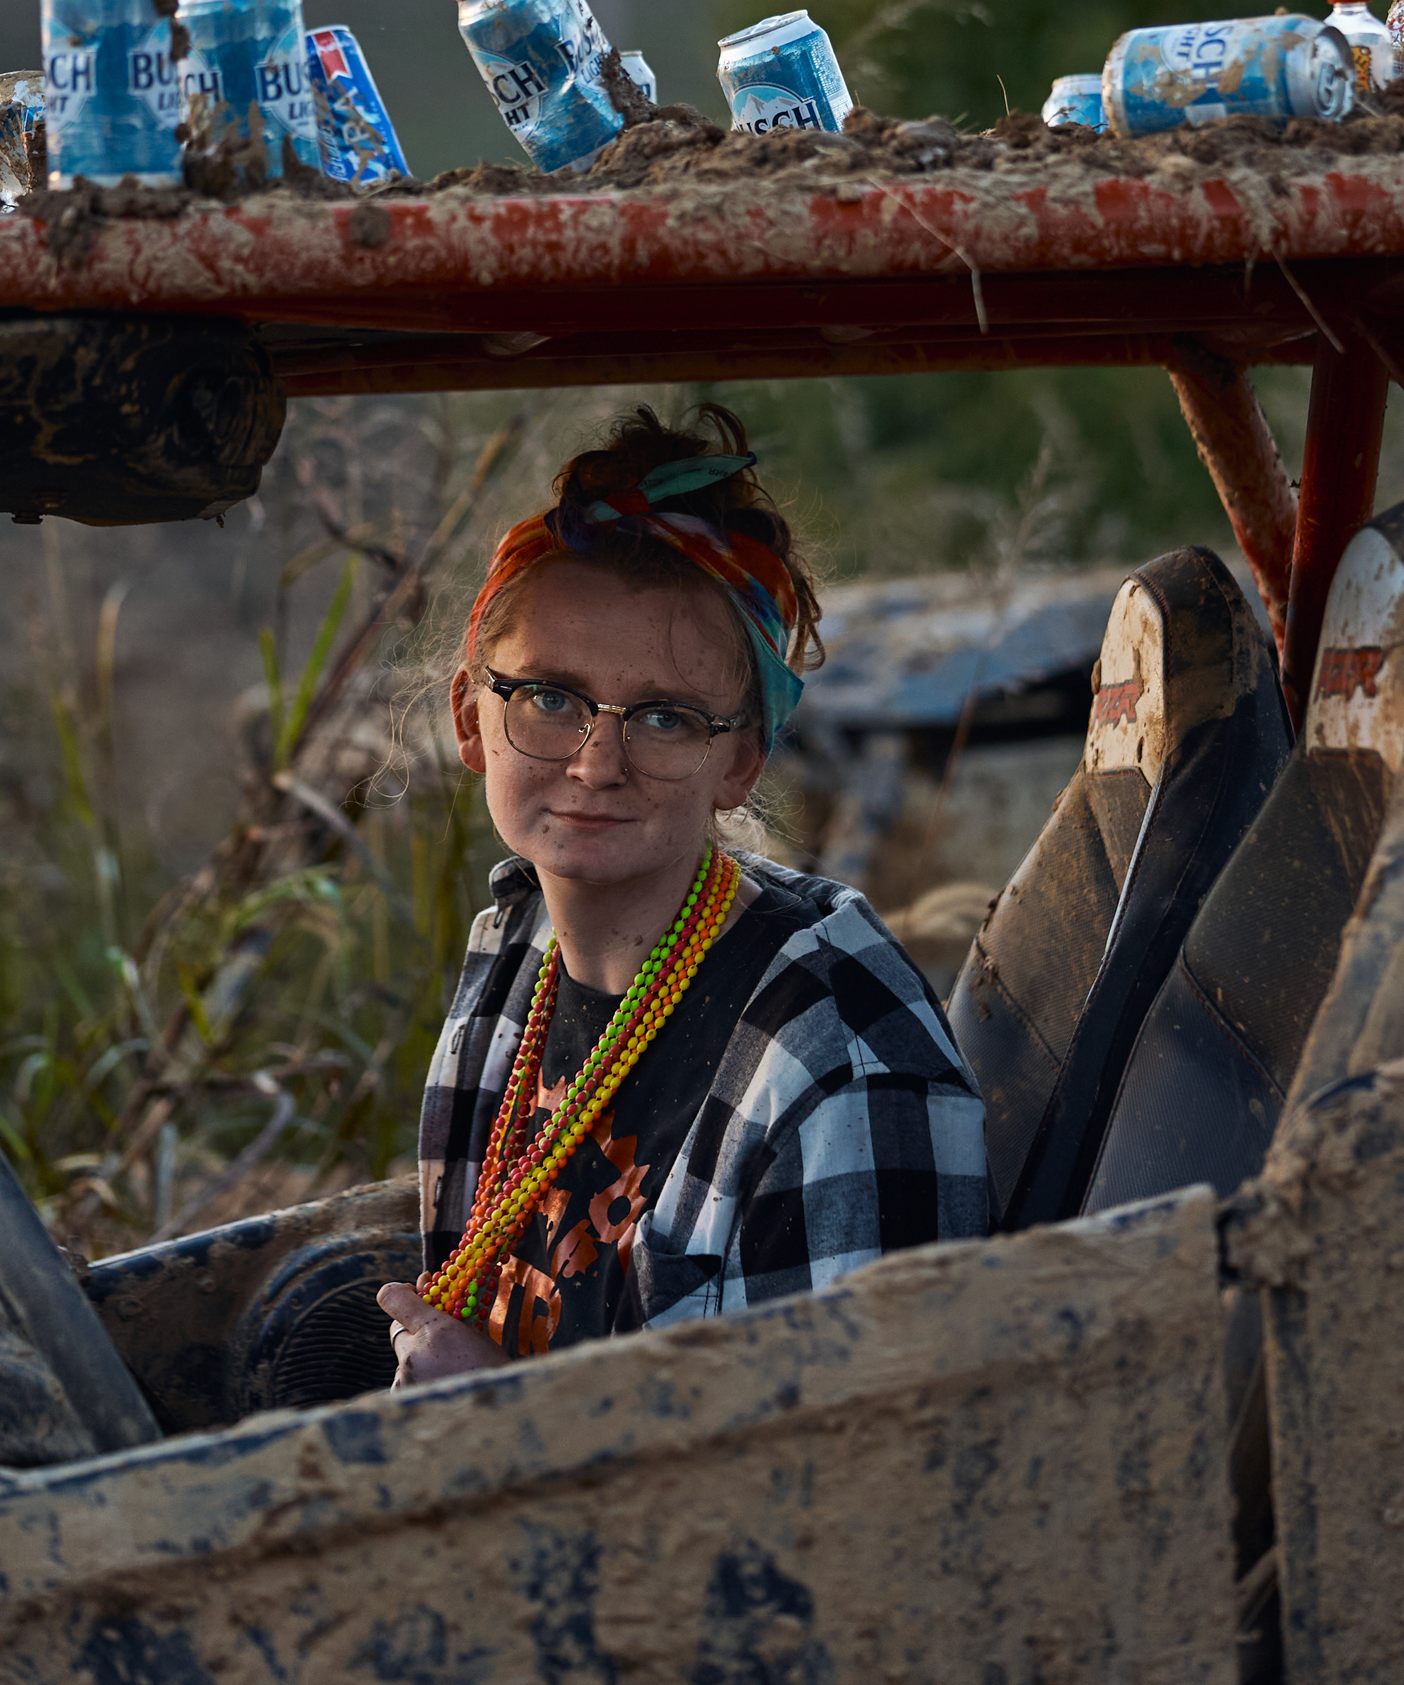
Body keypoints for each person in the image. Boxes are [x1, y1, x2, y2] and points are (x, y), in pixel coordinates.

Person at [378, 406, 989, 1386]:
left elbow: (859, 1484)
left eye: (664, 717)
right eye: (548, 696)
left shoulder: (836, 1060)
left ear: (739, 760)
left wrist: (497, 1425)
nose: (595, 762)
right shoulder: (518, 942)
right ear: (467, 715)